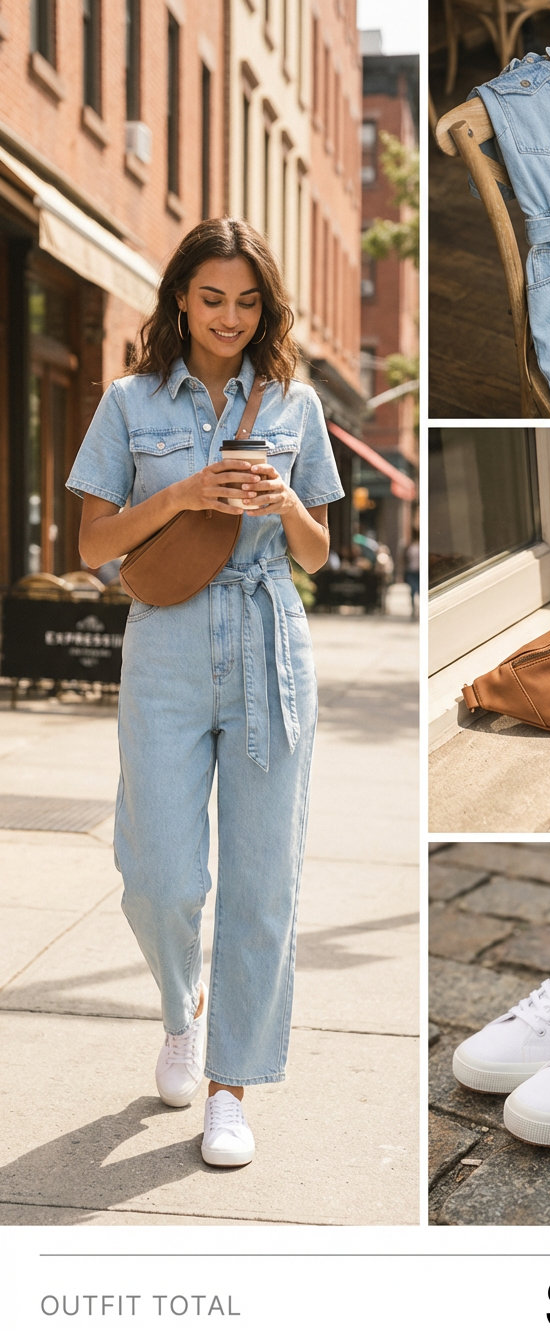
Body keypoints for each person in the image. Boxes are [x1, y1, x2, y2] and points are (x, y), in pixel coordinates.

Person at [66, 218, 344, 1167]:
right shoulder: (128, 401)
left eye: (248, 300)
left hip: (270, 638)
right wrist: (183, 497)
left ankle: (232, 1086)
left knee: (263, 885)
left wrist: (286, 505)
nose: (229, 317)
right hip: (167, 644)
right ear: (181, 297)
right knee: (160, 879)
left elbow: (319, 554)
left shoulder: (296, 405)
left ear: (266, 307)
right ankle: (180, 1004)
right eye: (212, 297)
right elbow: (94, 547)